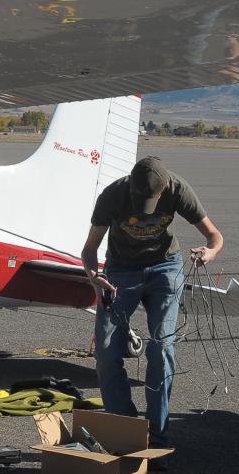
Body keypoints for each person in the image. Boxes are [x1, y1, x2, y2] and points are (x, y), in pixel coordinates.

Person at [81, 156, 223, 451]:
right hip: (121, 271)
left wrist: (209, 252)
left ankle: (157, 438)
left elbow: (214, 236)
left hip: (165, 268)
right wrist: (94, 276)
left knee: (162, 347)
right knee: (107, 354)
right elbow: (90, 248)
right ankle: (128, 431)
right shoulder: (113, 195)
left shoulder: (178, 189)